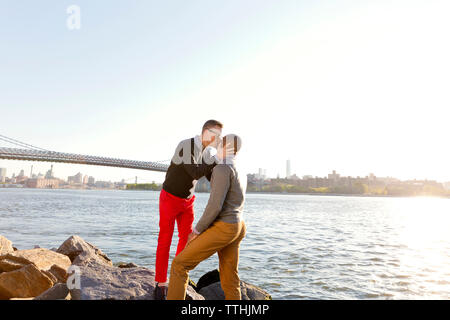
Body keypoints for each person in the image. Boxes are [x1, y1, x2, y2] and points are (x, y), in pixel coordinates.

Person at [166, 134, 246, 300]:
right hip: (238, 226)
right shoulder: (240, 169)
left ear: (225, 146)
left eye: (219, 143)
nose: (216, 146)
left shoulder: (222, 168)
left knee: (179, 265)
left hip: (224, 227)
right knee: (230, 278)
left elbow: (215, 206)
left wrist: (196, 230)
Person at [154, 120, 223, 300]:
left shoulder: (208, 152)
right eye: (217, 135)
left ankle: (177, 278)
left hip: (188, 201)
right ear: (207, 132)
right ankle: (161, 283)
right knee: (165, 240)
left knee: (187, 241)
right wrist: (215, 158)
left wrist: (225, 166)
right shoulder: (186, 145)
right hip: (169, 198)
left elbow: (210, 176)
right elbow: (194, 172)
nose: (219, 139)